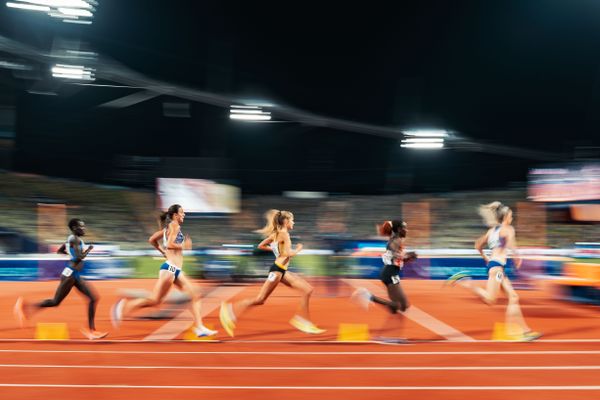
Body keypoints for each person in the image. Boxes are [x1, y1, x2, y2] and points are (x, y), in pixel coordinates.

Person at [111, 204, 217, 337]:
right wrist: (185, 245)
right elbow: (170, 244)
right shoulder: (174, 225)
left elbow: (152, 240)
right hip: (171, 268)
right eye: (182, 213)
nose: (184, 215)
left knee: (186, 296)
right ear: (175, 215)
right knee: (159, 299)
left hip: (174, 269)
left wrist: (162, 252)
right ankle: (123, 305)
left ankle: (199, 327)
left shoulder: (168, 228)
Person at [219, 209, 325, 337]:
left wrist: (275, 250)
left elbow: (261, 246)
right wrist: (298, 249)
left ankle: (303, 321)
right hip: (277, 270)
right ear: (286, 221)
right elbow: (286, 254)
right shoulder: (284, 234)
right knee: (260, 300)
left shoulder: (276, 234)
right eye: (292, 220)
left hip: (282, 270)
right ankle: (229, 311)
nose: (293, 222)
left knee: (307, 290)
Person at [447, 201, 541, 341]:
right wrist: (517, 257)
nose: (512, 218)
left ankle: (523, 331)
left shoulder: (491, 231)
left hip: (495, 266)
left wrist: (486, 257)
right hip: (497, 268)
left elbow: (477, 245)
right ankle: (465, 281)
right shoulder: (508, 229)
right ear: (505, 217)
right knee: (490, 299)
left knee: (514, 297)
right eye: (511, 216)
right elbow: (512, 245)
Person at [14, 218, 108, 340]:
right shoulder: (74, 239)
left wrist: (72, 254)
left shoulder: (72, 239)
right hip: (70, 275)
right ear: (74, 228)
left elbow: (60, 251)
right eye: (82, 226)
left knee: (93, 298)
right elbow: (78, 258)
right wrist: (88, 250)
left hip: (75, 275)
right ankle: (24, 306)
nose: (84, 229)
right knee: (55, 302)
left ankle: (91, 331)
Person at [351, 220, 417, 342]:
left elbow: (397, 259)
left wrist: (407, 258)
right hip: (390, 273)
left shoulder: (397, 240)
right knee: (399, 306)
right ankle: (368, 296)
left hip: (393, 273)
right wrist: (408, 256)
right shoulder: (395, 241)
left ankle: (387, 337)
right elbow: (394, 255)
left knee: (400, 306)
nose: (406, 230)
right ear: (398, 229)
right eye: (404, 228)